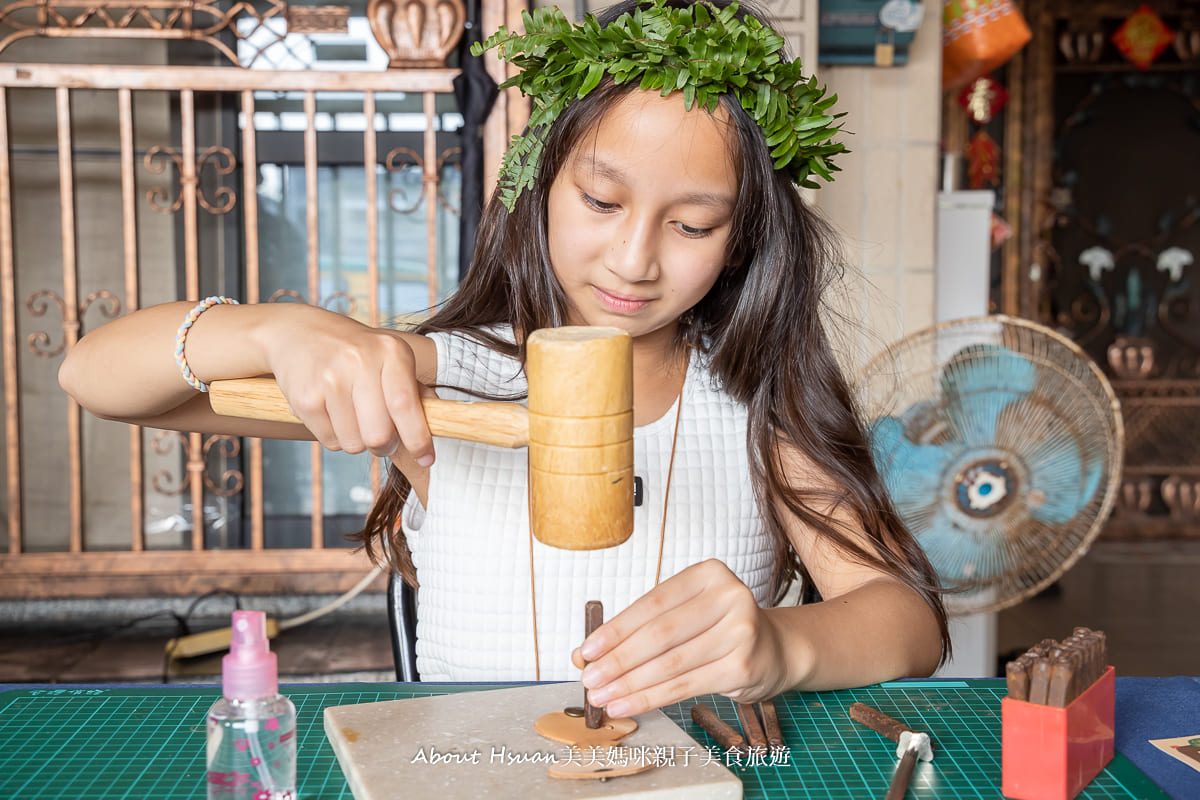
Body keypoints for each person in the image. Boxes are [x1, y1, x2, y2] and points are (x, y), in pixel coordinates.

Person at [59, 0, 950, 719]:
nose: (635, 259)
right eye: (602, 200)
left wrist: (782, 646)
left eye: (692, 225)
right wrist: (273, 331)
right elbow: (96, 377)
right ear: (541, 186)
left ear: (744, 237)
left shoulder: (758, 403)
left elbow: (907, 624)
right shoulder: (441, 377)